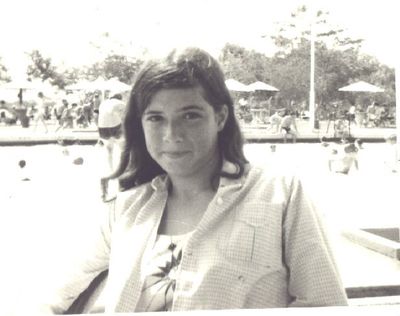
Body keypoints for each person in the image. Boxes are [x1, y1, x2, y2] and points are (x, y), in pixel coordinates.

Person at [31, 47, 347, 314]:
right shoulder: (125, 209)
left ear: (221, 117)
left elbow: (324, 303)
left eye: (190, 115)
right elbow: (56, 292)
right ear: (140, 124)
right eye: (156, 118)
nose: (172, 136)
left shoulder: (280, 194)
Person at [97, 92, 126, 201]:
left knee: (109, 150)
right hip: (115, 127)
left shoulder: (103, 103)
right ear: (120, 97)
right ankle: (121, 169)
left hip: (102, 128)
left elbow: (100, 116)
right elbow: (126, 117)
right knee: (123, 149)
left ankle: (111, 169)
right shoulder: (121, 103)